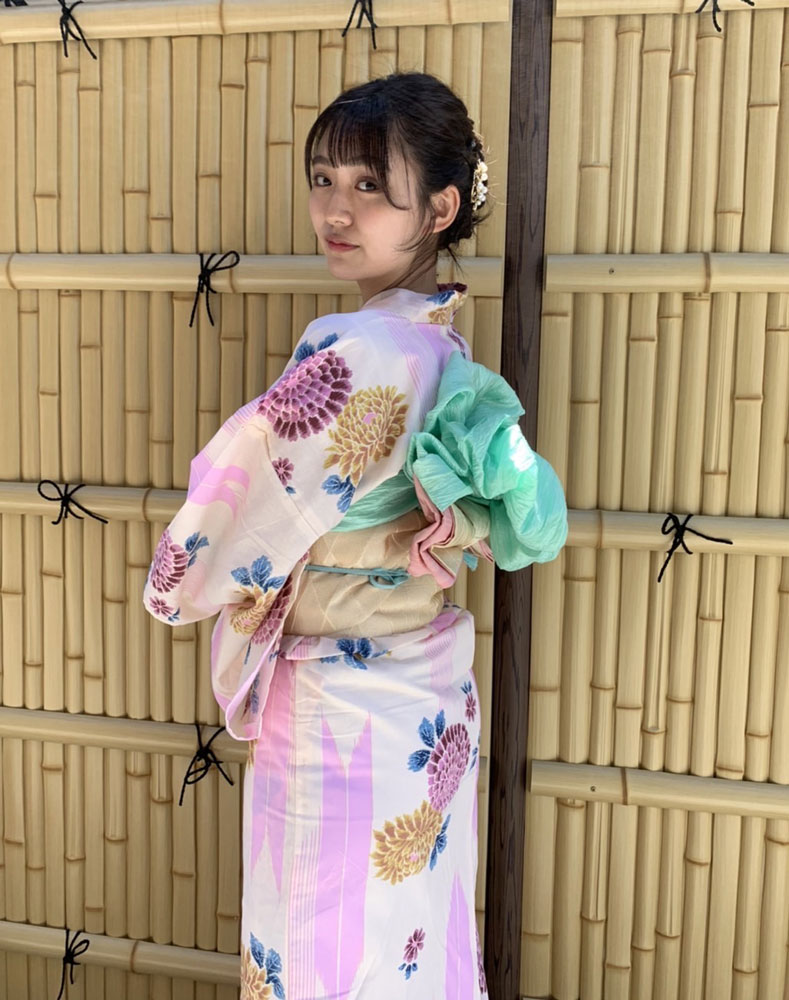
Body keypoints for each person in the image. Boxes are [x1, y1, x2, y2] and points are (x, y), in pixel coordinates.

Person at [143, 71, 567, 1000]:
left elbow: (235, 501)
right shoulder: (438, 345)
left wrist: (176, 582)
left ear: (439, 207)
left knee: (320, 953)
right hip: (421, 699)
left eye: (370, 185)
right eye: (323, 179)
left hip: (339, 708)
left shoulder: (367, 353)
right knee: (406, 940)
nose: (336, 210)